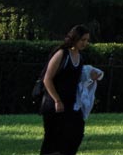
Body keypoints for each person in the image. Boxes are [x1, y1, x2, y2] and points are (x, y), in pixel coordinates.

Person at [39, 26, 91, 155]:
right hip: (54, 103)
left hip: (71, 103)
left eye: (87, 40)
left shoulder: (79, 56)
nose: (85, 43)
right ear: (75, 38)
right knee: (53, 139)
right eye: (82, 40)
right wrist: (57, 100)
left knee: (76, 133)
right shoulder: (62, 54)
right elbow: (47, 79)